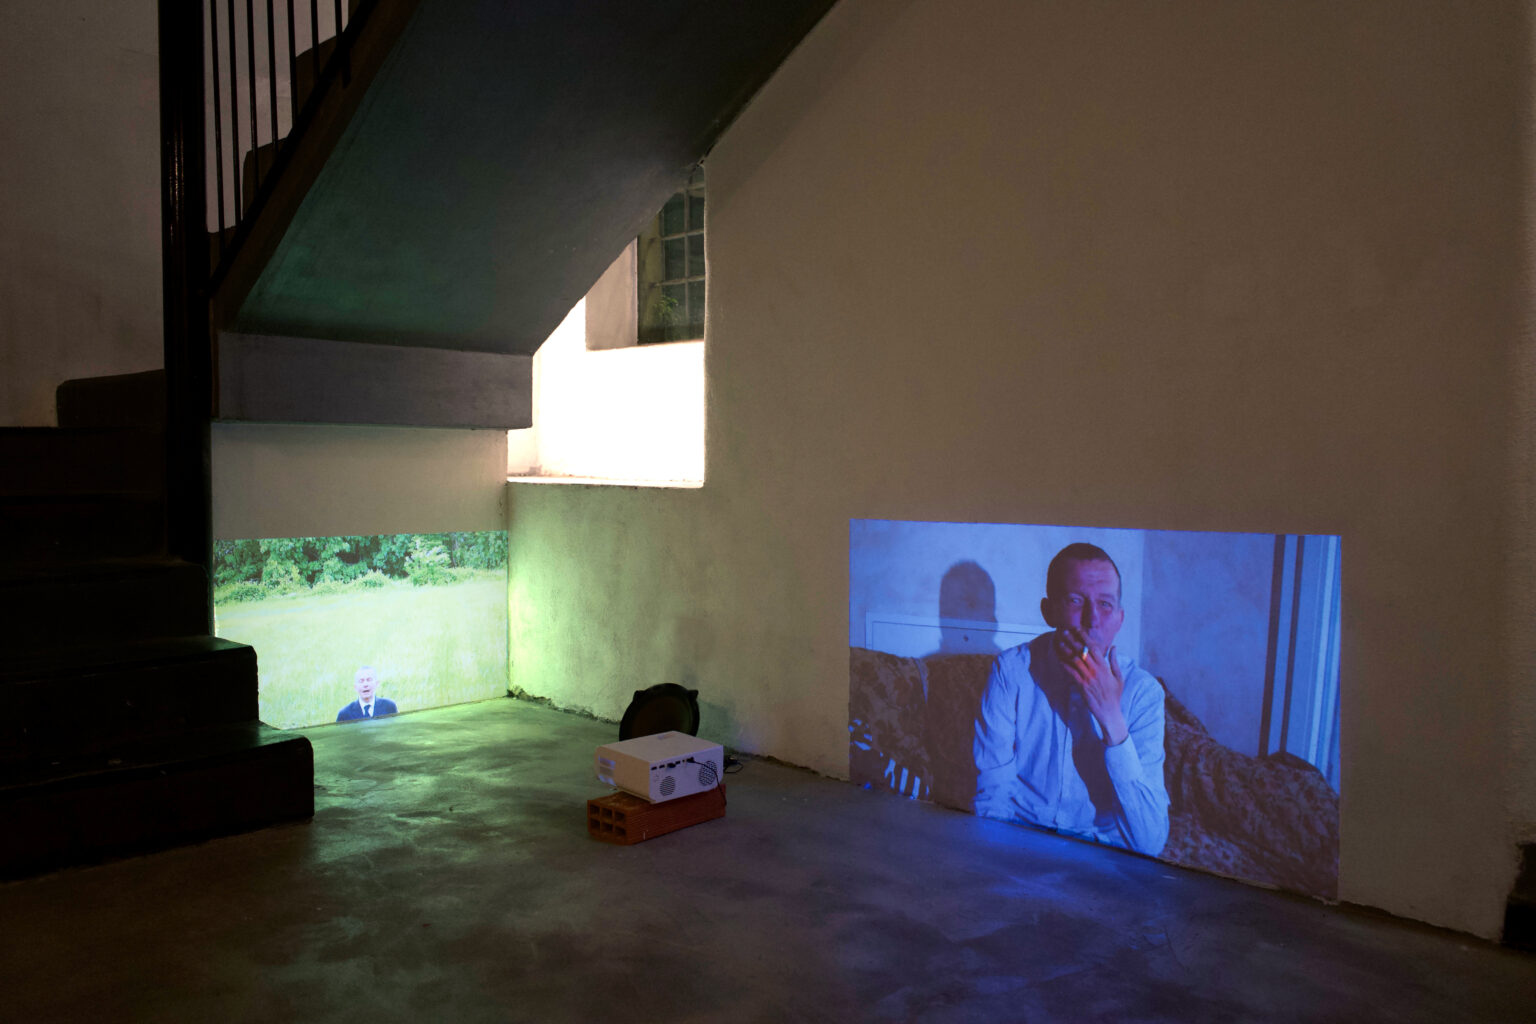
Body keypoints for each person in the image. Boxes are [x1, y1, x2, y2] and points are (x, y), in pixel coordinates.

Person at [972, 543, 1169, 855]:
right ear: (1048, 611)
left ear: (1120, 619)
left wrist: (1111, 718)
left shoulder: (1145, 693)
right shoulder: (1011, 671)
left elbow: (1150, 841)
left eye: (1105, 604)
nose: (1092, 619)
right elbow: (992, 795)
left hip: (1099, 854)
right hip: (1020, 842)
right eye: (1076, 600)